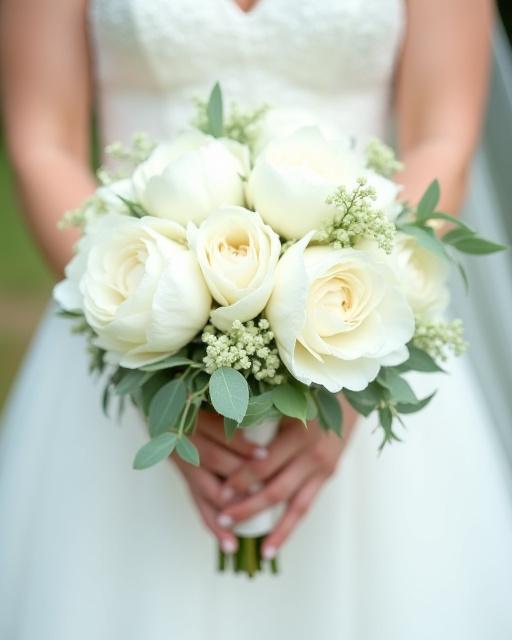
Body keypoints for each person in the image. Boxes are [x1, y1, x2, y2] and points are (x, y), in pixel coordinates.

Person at [1, 1, 511, 638]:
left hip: (359, 314)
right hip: (124, 314)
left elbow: (443, 137)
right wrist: (156, 361)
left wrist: (352, 362)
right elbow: (41, 143)